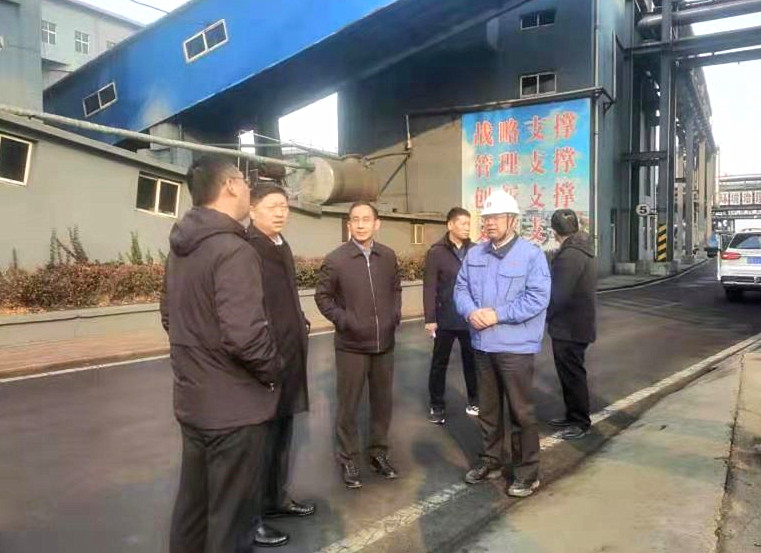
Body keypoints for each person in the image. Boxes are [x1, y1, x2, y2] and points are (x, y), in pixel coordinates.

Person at [160, 156, 286, 552]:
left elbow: (169, 316)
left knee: (193, 514)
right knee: (231, 524)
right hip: (234, 412)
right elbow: (245, 336)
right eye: (246, 182)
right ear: (231, 185)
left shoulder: (181, 247)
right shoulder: (233, 250)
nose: (249, 189)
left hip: (194, 402)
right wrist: (274, 370)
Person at [454, 190, 551, 498]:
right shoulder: (475, 255)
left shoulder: (531, 255)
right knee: (488, 410)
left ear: (512, 220)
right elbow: (460, 289)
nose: (490, 223)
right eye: (486, 218)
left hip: (515, 347)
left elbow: (537, 298)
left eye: (496, 217)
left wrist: (497, 314)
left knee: (521, 412)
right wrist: (470, 311)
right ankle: (491, 460)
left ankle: (527, 473)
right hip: (483, 344)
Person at [314, 202, 402, 489]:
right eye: (355, 220)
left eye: (366, 219)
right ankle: (348, 458)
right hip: (351, 345)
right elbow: (322, 297)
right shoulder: (336, 259)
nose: (361, 224)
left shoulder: (387, 256)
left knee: (382, 403)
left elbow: (396, 289)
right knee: (348, 407)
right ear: (349, 224)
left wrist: (393, 316)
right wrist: (345, 320)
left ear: (377, 223)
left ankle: (378, 453)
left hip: (384, 344)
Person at [247, 185, 315, 534]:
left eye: (284, 206)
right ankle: (252, 516)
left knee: (283, 432)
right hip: (265, 359)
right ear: (252, 210)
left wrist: (299, 320)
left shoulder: (281, 245)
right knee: (259, 441)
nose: (280, 212)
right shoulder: (247, 248)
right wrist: (264, 355)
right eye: (272, 206)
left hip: (289, 354)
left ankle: (276, 498)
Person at [424, 207, 478, 425]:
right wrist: (430, 319)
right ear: (450, 225)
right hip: (444, 317)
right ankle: (437, 406)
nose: (467, 227)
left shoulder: (475, 250)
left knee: (472, 361)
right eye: (462, 223)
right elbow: (429, 287)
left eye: (468, 224)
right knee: (439, 363)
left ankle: (475, 400)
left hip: (469, 316)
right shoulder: (436, 252)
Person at [546, 209, 597, 440]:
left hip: (569, 327)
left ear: (555, 231)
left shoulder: (569, 256)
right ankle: (572, 415)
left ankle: (580, 422)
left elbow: (559, 295)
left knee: (572, 375)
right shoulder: (583, 250)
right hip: (578, 324)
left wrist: (545, 316)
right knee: (570, 373)